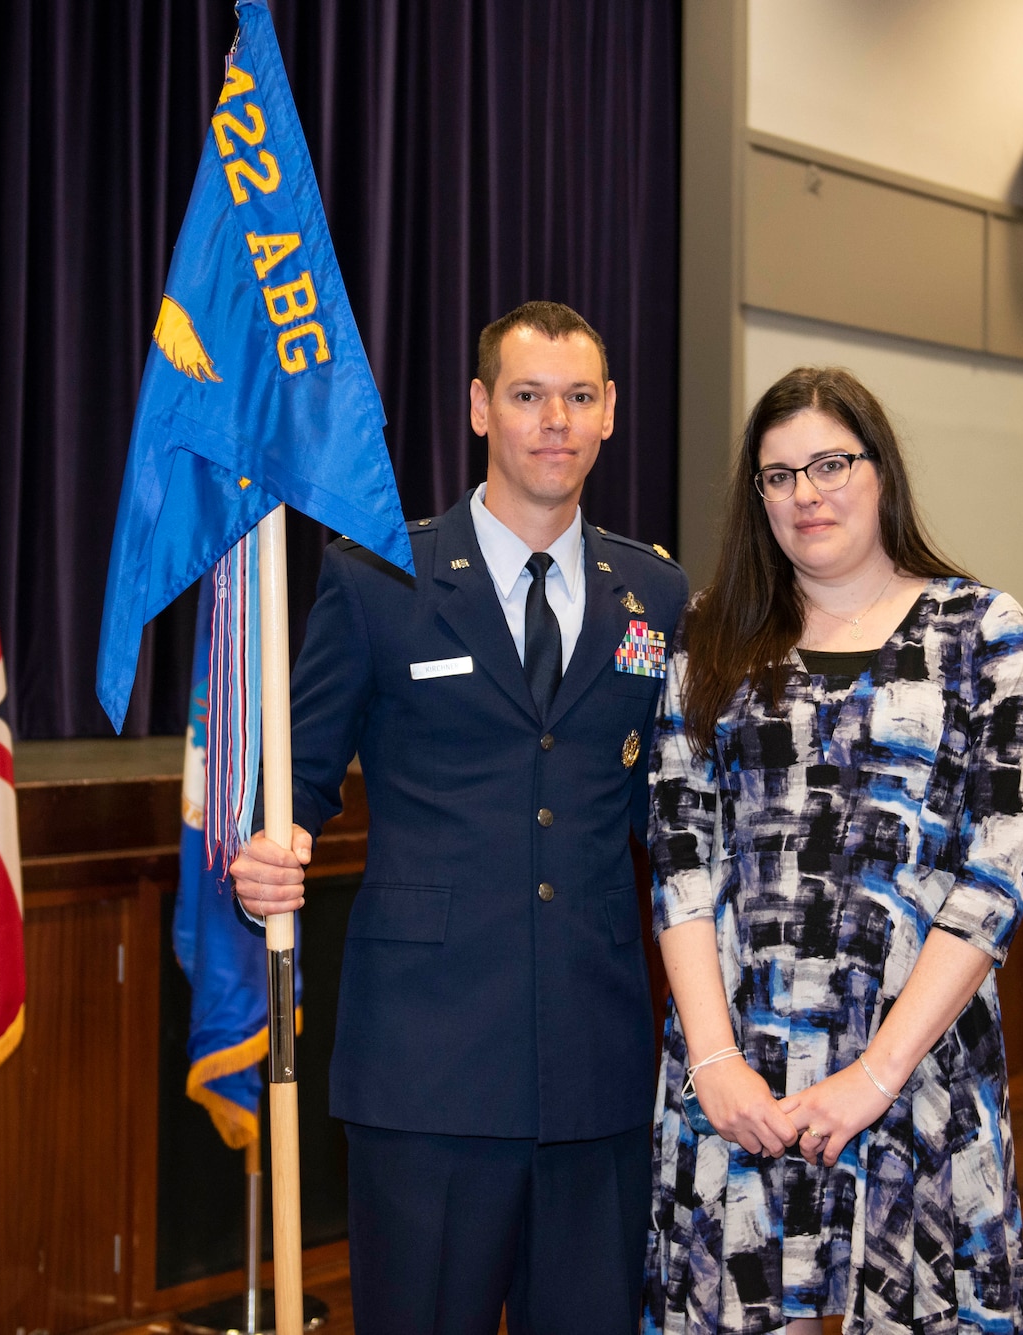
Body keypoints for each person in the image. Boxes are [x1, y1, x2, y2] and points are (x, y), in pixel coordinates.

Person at [231, 300, 689, 1334]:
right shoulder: (379, 576)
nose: (553, 422)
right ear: (481, 408)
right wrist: (270, 844)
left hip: (594, 1066)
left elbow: (673, 819)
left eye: (577, 398)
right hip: (425, 1069)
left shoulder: (655, 597)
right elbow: (294, 779)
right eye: (527, 396)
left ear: (610, 412)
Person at [644, 367, 1023, 1335]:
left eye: (829, 463)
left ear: (879, 471)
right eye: (776, 476)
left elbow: (989, 884)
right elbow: (679, 865)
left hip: (917, 1079)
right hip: (739, 1082)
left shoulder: (981, 635)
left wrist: (872, 1079)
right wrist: (713, 1065)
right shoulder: (711, 637)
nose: (804, 494)